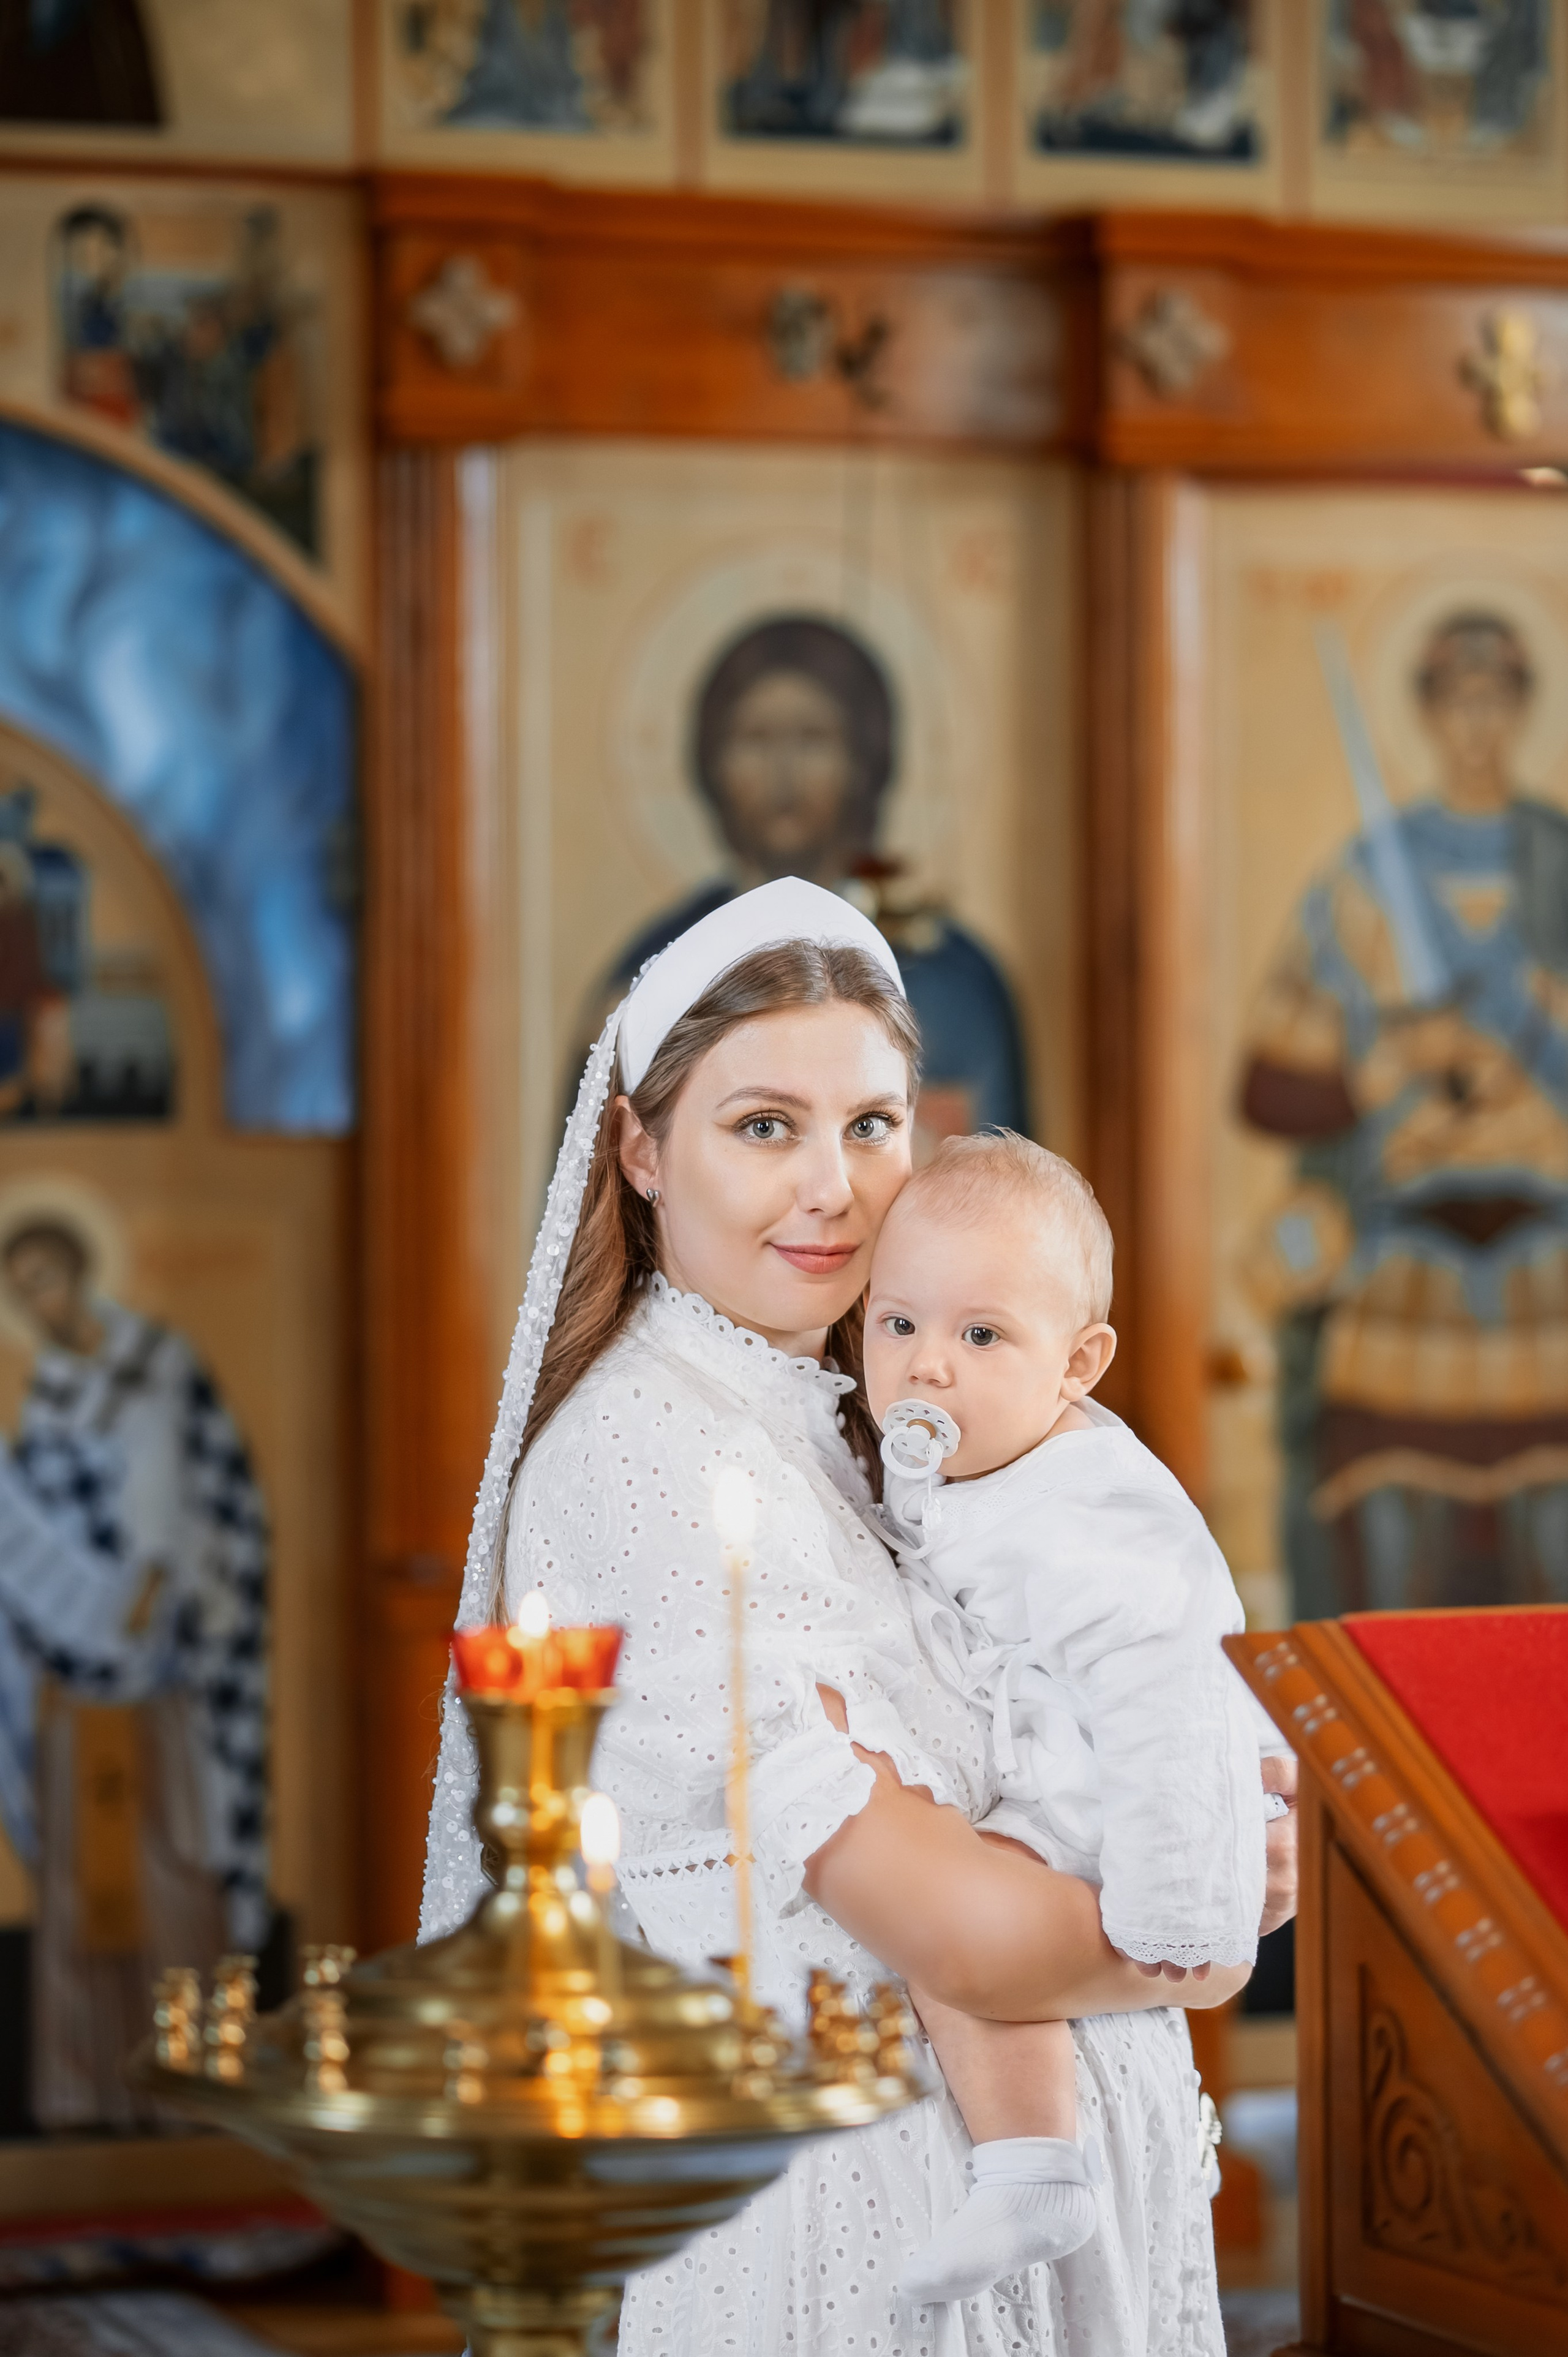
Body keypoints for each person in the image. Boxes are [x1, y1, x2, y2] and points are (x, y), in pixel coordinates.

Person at [423, 877, 1297, 2353]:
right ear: (639, 1145)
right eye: (763, 1125)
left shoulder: (898, 1412)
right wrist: (1203, 1933)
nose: (831, 1183)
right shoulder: (640, 1458)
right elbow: (948, 1928)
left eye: (872, 1123)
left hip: (1044, 2199)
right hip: (859, 2238)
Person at [862, 1131, 1291, 2304]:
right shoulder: (972, 1455)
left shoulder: (1093, 1516)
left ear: (1080, 1362)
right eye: (896, 1323)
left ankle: (1033, 2168)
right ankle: (1034, 2162)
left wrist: (1169, 1897)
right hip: (1062, 1765)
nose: (926, 1368)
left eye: (981, 1334)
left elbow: (1169, 1696)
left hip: (1120, 1794)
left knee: (960, 1931)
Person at [1241, 609, 1568, 1615]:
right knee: (1381, 1548)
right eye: (1455, 698)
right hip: (1403, 1259)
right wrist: (1387, 1063)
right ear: (1427, 712)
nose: (1476, 721)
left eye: (1495, 698)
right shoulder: (1364, 886)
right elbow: (1270, 1086)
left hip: (1554, 1271)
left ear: (1523, 709)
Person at [0, 1218, 269, 2129]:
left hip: (162, 1680)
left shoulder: (156, 1366)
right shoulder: (49, 1396)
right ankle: (88, 2097)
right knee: (81, 1890)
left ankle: (191, 2090)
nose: (38, 1302)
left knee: (171, 1875)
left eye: (47, 1278)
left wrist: (146, 1605)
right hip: (74, 1685)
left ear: (79, 1271)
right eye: (21, 1289)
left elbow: (193, 1512)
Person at [597, 614, 1030, 1142]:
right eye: (756, 739)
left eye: (813, 738)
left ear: (864, 763)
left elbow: (1001, 1192)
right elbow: (600, 1197)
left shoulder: (954, 979)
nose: (785, 772)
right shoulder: (657, 971)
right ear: (712, 764)